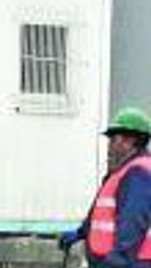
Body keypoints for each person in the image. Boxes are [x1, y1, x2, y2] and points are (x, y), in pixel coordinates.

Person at [58, 106, 151, 268]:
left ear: (129, 141)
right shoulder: (121, 171)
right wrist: (80, 234)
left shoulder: (138, 173)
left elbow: (133, 221)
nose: (109, 146)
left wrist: (116, 261)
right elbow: (101, 214)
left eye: (113, 139)